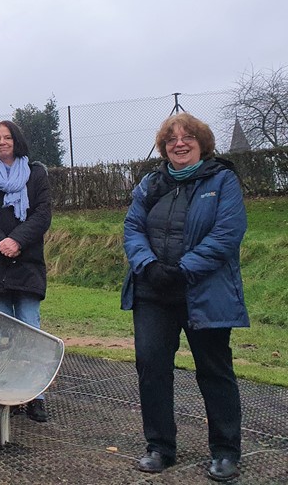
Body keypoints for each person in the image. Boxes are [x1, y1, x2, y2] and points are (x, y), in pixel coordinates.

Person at [122, 113, 248, 483]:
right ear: (163, 147)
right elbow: (132, 227)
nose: (180, 143)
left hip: (203, 292)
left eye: (188, 137)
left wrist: (183, 268)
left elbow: (227, 234)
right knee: (151, 367)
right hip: (153, 291)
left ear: (202, 143)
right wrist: (148, 265)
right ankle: (160, 447)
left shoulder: (222, 180)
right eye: (172, 139)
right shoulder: (150, 184)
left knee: (214, 371)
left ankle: (225, 452)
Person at [0, 120, 52, 422]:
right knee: (0, 334)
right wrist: (0, 242)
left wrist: (17, 240)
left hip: (27, 262)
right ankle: (6, 394)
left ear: (16, 140)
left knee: (30, 330)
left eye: (7, 137)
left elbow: (42, 214)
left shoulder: (37, 173)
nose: (2, 142)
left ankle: (35, 395)